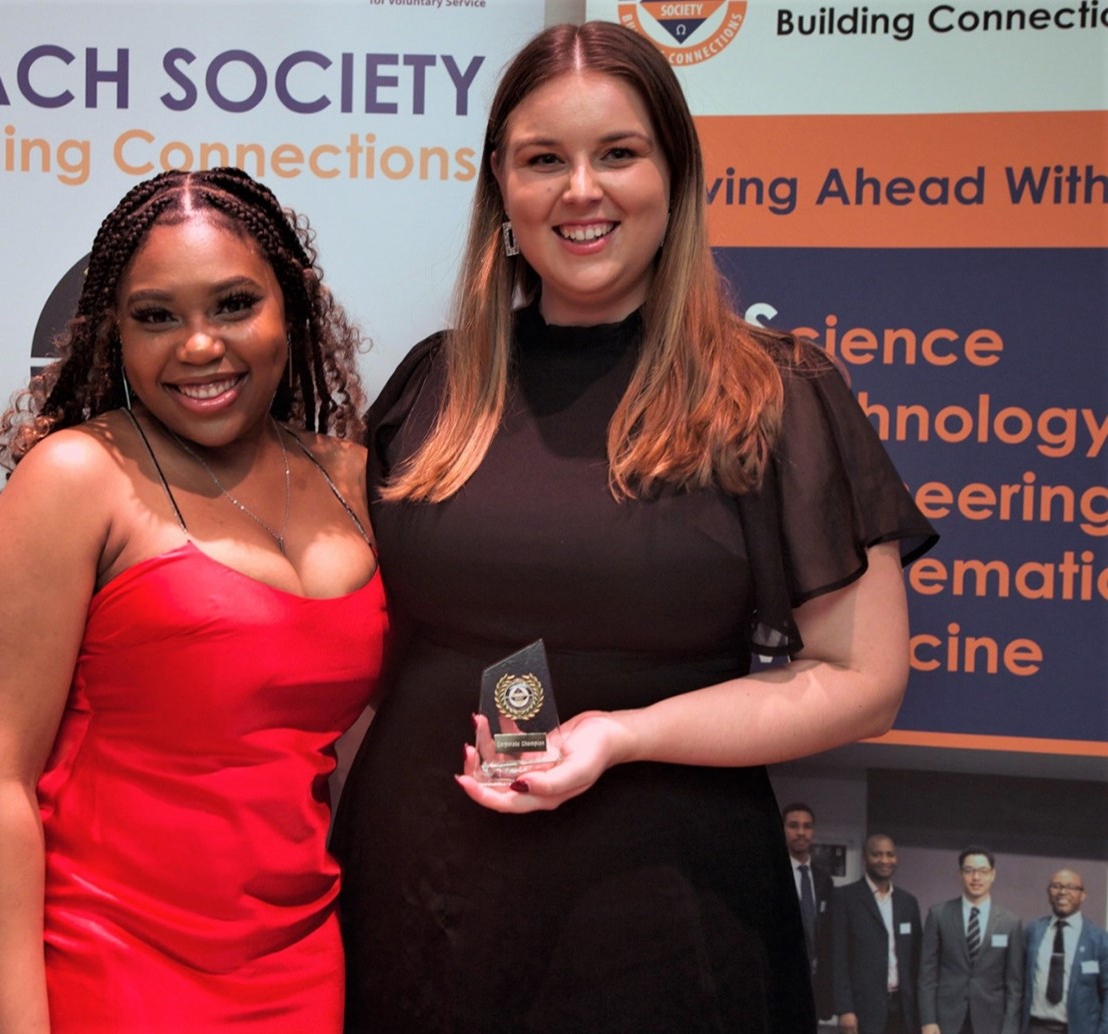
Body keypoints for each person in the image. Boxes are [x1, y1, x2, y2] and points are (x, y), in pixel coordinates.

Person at [330, 19, 937, 1034]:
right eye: (542, 160)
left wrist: (622, 735)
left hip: (670, 917)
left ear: (673, 172)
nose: (580, 190)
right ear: (500, 187)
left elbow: (860, 677)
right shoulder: (436, 384)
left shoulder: (774, 394)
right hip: (419, 899)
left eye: (616, 152)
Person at [0, 167, 385, 1032]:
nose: (198, 346)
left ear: (290, 311)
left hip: (303, 967)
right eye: (157, 316)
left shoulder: (349, 478)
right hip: (104, 972)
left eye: (232, 305)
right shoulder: (78, 479)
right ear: (113, 335)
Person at [919, 847, 1024, 1034]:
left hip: (991, 1023)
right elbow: (927, 973)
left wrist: (1009, 1029)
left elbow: (1014, 986)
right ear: (960, 874)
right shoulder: (938, 915)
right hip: (945, 1021)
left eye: (983, 871)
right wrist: (928, 1020)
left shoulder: (1010, 923)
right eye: (969, 871)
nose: (976, 878)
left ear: (993, 875)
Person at [831, 834, 923, 1034]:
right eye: (877, 854)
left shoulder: (908, 902)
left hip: (903, 1009)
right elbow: (838, 959)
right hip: (863, 1009)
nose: (884, 860)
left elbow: (916, 960)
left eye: (890, 854)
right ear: (865, 858)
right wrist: (845, 1009)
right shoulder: (845, 898)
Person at [1021, 868, 1108, 1034]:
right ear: (1048, 893)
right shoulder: (1033, 931)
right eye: (1056, 886)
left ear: (1083, 895)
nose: (1063, 892)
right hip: (1034, 1028)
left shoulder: (1099, 940)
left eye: (1071, 887)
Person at [784, 801, 836, 1020]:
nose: (801, 833)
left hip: (815, 983)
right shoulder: (769, 875)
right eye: (794, 826)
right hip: (782, 977)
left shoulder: (824, 880)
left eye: (807, 826)